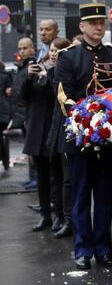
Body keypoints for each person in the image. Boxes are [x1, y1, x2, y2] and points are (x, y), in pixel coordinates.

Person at [54, 3, 112, 270]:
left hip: (107, 138)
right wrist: (86, 118)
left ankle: (104, 249)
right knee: (81, 195)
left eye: (102, 23)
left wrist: (107, 118)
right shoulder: (68, 57)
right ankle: (83, 250)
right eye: (93, 23)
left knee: (104, 196)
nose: (98, 27)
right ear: (82, 27)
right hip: (79, 138)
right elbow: (63, 95)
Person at [21, 37, 56, 231]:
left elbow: (56, 97)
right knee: (41, 175)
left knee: (56, 176)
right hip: (36, 129)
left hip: (51, 128)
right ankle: (45, 214)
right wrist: (28, 77)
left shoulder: (56, 72)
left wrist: (47, 77)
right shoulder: (33, 71)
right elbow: (23, 97)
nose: (50, 55)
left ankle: (59, 213)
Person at [45, 37, 73, 237]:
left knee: (67, 179)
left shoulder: (64, 71)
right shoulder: (49, 72)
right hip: (54, 129)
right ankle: (59, 215)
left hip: (66, 129)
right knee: (55, 174)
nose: (54, 53)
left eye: (58, 50)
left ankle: (68, 218)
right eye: (52, 50)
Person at [12, 38, 38, 190]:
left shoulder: (31, 66)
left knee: (32, 149)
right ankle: (32, 177)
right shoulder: (22, 66)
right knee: (29, 149)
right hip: (22, 113)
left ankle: (36, 178)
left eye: (25, 48)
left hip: (27, 113)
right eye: (20, 48)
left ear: (32, 49)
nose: (22, 51)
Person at [0, 61, 12, 170]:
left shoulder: (4, 76)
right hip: (4, 110)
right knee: (4, 138)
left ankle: (5, 161)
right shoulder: (6, 76)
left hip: (2, 110)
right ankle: (5, 161)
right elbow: (9, 93)